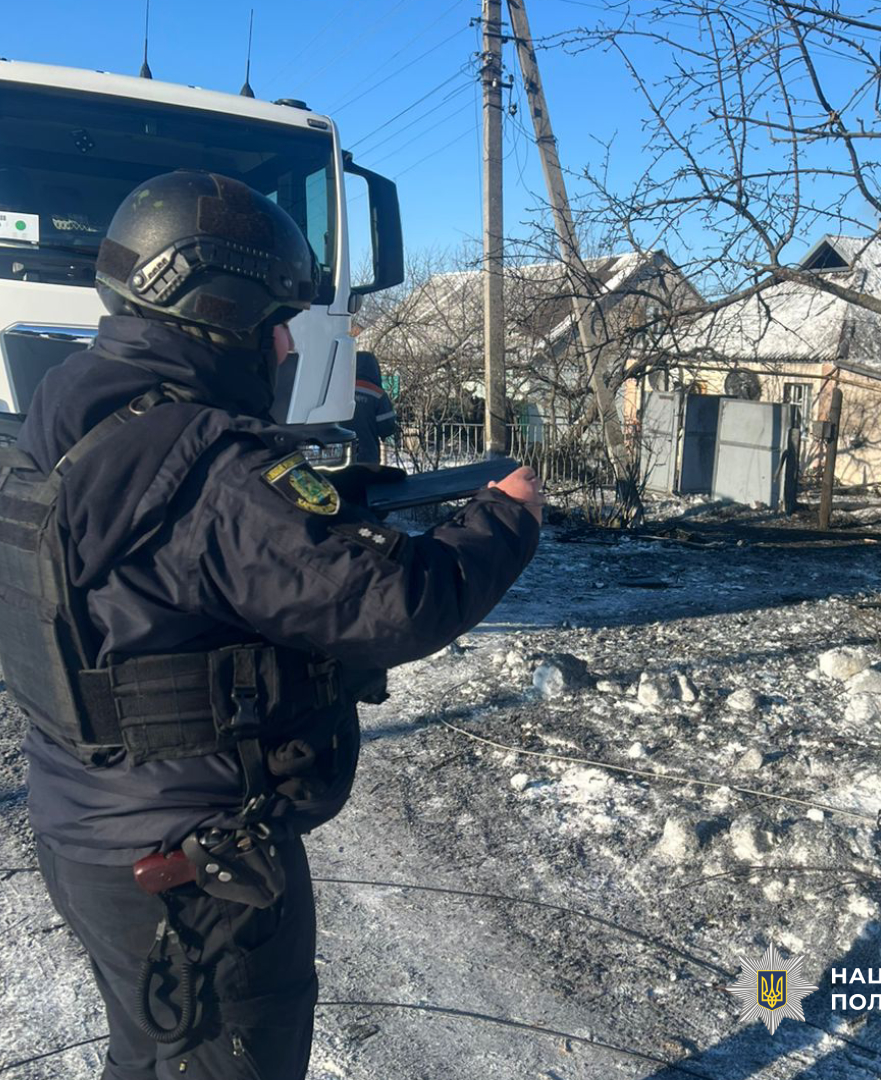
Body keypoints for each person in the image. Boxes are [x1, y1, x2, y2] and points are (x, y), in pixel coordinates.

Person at [2, 170, 541, 1079]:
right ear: (227, 304)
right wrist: (504, 521)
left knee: (155, 1051)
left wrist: (341, 500)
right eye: (281, 317)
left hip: (89, 830)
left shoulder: (72, 411)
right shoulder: (214, 466)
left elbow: (201, 552)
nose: (291, 342)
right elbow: (390, 604)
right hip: (194, 864)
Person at [347, 349, 397, 463]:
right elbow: (387, 427)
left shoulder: (340, 390)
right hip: (368, 455)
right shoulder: (378, 394)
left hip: (340, 455)